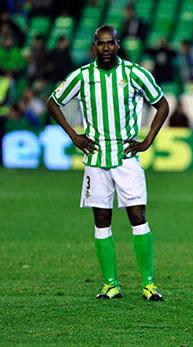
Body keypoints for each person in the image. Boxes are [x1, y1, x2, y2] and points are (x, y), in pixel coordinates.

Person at [46, 25, 170, 301]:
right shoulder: (82, 76)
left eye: (109, 43)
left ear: (118, 44)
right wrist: (74, 136)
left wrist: (147, 140)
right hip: (95, 159)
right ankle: (110, 284)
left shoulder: (134, 73)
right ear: (94, 46)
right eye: (100, 44)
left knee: (138, 217)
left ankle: (148, 284)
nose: (105, 49)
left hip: (127, 158)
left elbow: (162, 104)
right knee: (102, 220)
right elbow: (53, 102)